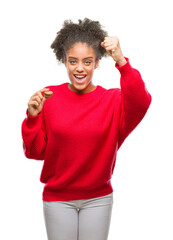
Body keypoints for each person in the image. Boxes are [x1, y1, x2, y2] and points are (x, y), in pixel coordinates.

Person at [21, 18, 152, 240]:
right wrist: (32, 118)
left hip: (98, 199)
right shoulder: (48, 97)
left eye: (87, 61)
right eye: (73, 61)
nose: (80, 68)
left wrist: (121, 61)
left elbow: (141, 101)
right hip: (57, 199)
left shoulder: (113, 101)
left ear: (97, 63)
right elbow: (34, 152)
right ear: (64, 61)